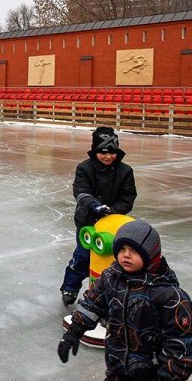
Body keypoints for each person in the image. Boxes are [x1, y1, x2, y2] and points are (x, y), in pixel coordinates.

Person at [58, 220, 192, 381]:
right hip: (118, 367)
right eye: (122, 249)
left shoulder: (168, 295)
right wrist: (74, 332)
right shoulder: (110, 278)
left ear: (150, 254)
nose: (125, 255)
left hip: (152, 377)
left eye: (133, 250)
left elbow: (180, 341)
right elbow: (91, 304)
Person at [61, 126, 137, 307]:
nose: (108, 156)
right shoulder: (84, 168)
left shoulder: (125, 171)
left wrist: (111, 210)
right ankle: (70, 287)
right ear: (95, 151)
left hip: (112, 225)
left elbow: (128, 198)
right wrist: (94, 206)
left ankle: (110, 294)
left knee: (110, 260)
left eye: (112, 152)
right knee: (83, 255)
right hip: (88, 222)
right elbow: (80, 191)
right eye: (103, 153)